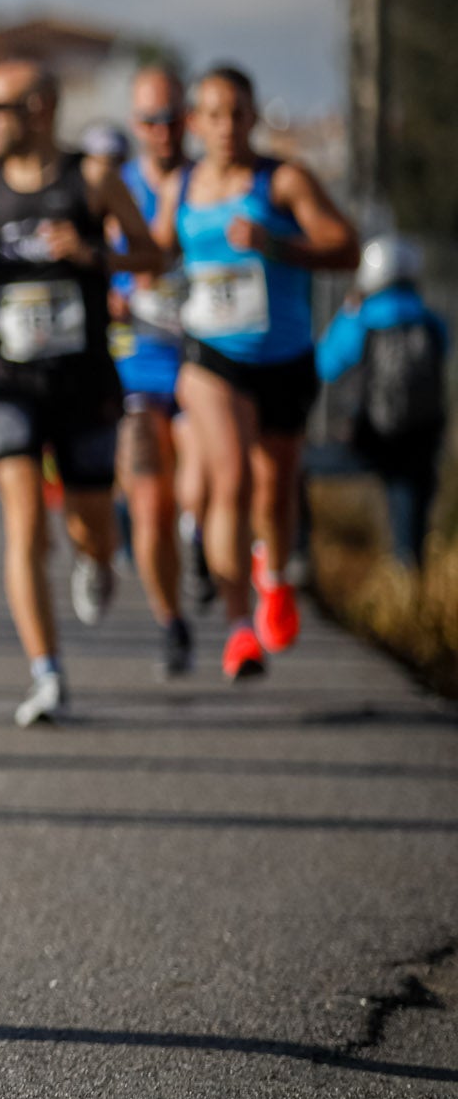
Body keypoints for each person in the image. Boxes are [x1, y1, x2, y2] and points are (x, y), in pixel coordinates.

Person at [0, 62, 164, 725]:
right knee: (25, 521)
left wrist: (94, 256)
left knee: (89, 524)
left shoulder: (91, 178)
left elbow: (155, 255)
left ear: (38, 109)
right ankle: (47, 672)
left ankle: (97, 562)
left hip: (83, 380)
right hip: (7, 380)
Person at [162, 64, 360, 679]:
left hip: (284, 357)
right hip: (211, 356)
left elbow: (347, 248)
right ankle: (238, 627)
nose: (226, 126)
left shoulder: (284, 181)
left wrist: (275, 245)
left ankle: (272, 576)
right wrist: (121, 279)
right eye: (213, 115)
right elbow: (152, 252)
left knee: (275, 487)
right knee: (232, 480)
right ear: (195, 122)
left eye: (237, 113)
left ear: (253, 117)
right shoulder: (182, 187)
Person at [112, 65, 200, 676]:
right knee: (150, 504)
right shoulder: (113, 189)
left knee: (207, 485)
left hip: (203, 361)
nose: (163, 131)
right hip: (138, 366)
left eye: (172, 119)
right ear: (135, 124)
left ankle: (208, 547)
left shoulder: (213, 183)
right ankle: (170, 620)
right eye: (150, 121)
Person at [320, 235, 448, 566]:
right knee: (409, 539)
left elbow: (326, 364)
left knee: (298, 469)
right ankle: (408, 585)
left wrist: (348, 310)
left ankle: (297, 556)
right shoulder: (430, 321)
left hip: (370, 441)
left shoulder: (361, 319)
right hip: (420, 442)